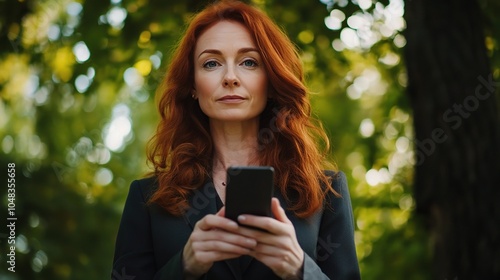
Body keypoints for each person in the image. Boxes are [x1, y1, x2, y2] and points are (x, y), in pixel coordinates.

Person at [112, 0, 360, 279]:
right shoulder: (148, 199)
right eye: (212, 63)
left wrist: (299, 268)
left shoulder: (327, 192)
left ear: (271, 80)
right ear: (192, 85)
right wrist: (184, 265)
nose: (230, 77)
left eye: (249, 62)